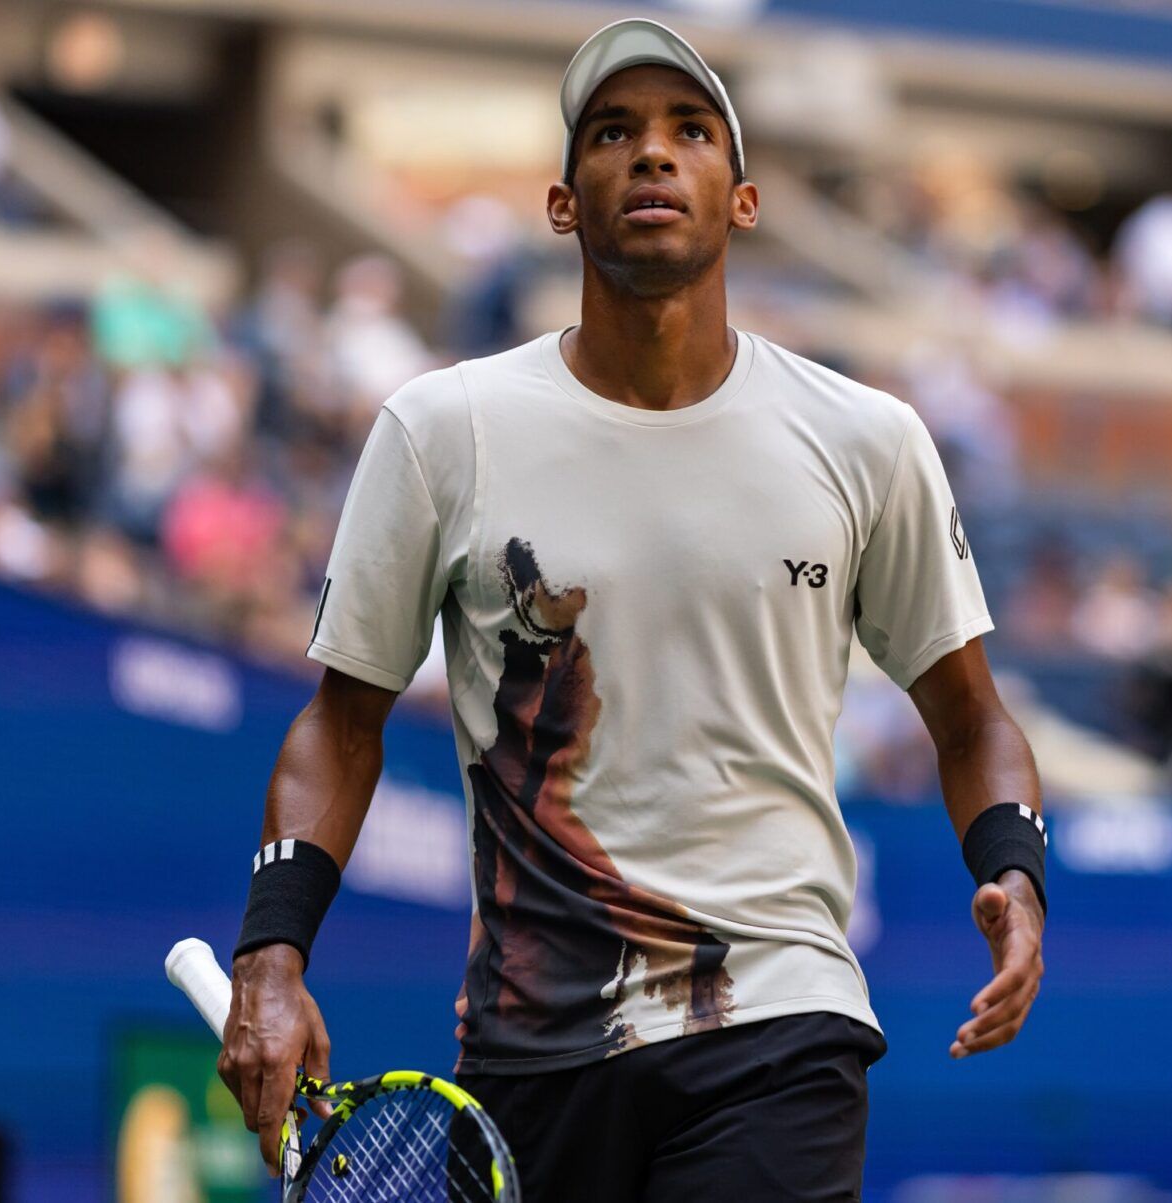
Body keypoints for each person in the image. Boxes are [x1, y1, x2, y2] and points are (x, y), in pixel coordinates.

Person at [214, 18, 1048, 1201]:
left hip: (778, 1017)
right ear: (563, 204)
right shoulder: (441, 432)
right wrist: (271, 951)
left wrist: (1014, 868)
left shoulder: (868, 441)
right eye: (615, 133)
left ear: (743, 199)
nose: (652, 155)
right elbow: (338, 725)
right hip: (528, 1055)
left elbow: (972, 720)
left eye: (688, 132)